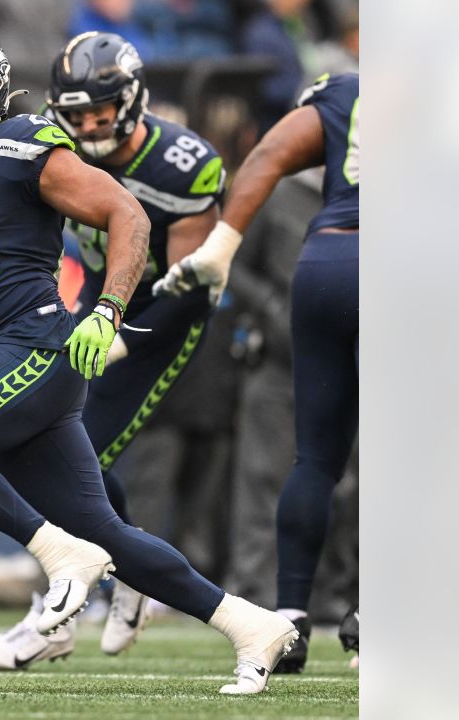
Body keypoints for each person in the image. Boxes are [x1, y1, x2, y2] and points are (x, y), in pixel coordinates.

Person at [0, 23, 298, 695]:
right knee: (107, 529)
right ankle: (252, 625)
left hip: (37, 344)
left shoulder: (26, 146)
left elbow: (126, 213)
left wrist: (107, 310)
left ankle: (59, 554)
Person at [0, 30, 228, 668]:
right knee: (53, 450)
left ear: (134, 100)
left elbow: (192, 284)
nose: (87, 126)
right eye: (76, 114)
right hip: (94, 309)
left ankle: (55, 617)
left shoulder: (183, 163)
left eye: (100, 113)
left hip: (161, 314)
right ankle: (132, 568)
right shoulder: (53, 149)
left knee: (67, 458)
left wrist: (118, 333)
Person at [156, 72, 360, 672]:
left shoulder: (346, 91)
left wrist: (220, 247)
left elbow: (269, 153)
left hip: (324, 262)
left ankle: (290, 615)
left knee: (315, 460)